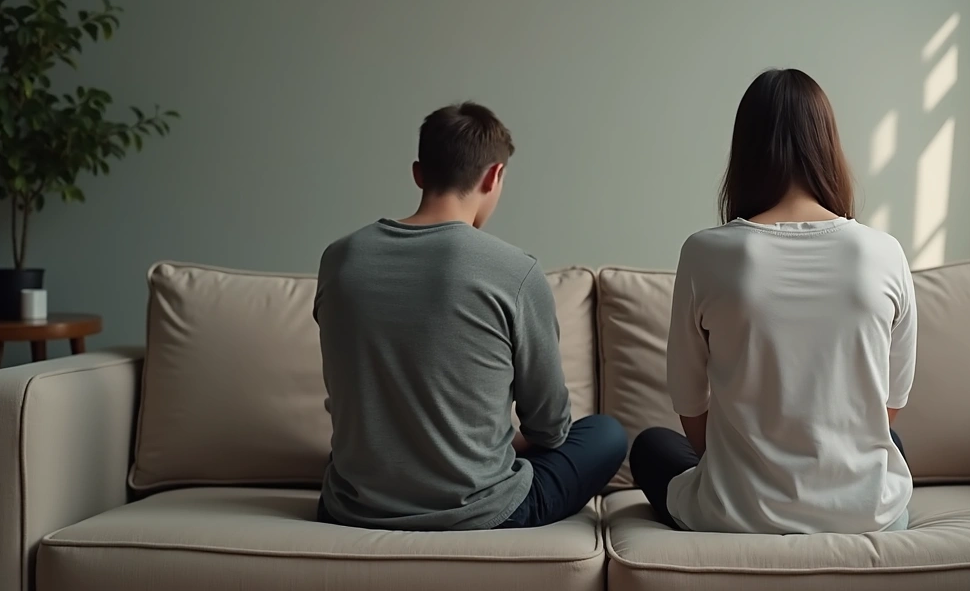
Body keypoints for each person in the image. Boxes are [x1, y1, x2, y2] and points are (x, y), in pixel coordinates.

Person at [314, 102, 627, 531]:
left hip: (352, 508)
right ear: (494, 175)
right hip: (482, 511)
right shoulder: (514, 271)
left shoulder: (340, 259)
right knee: (607, 434)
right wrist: (496, 444)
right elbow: (550, 429)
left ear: (418, 173)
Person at [630, 69, 917, 534]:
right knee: (889, 443)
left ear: (744, 152)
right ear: (828, 145)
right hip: (865, 513)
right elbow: (889, 402)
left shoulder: (705, 252)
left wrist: (750, 468)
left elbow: (687, 398)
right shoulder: (885, 252)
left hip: (739, 513)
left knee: (650, 447)